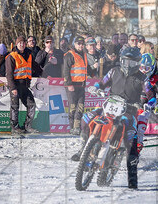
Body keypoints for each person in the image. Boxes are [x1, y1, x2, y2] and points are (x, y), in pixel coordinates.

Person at [72, 46, 147, 189]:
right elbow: (102, 82)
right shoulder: (114, 71)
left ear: (137, 63)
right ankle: (84, 147)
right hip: (110, 106)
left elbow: (149, 93)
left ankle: (127, 167)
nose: (128, 65)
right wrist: (96, 88)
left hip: (129, 111)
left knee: (131, 138)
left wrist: (146, 102)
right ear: (121, 60)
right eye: (126, 61)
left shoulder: (142, 78)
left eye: (132, 62)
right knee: (86, 118)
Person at [5, 36, 37, 133]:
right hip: (15, 86)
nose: (22, 44)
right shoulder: (11, 56)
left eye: (23, 43)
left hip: (25, 86)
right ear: (16, 44)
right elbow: (9, 74)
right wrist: (13, 87)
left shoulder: (29, 55)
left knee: (31, 105)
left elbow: (35, 67)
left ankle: (27, 126)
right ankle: (15, 127)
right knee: (15, 107)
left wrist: (46, 74)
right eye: (20, 43)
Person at [63, 36, 89, 135]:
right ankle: (71, 127)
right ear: (75, 44)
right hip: (72, 85)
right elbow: (65, 71)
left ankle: (77, 127)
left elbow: (85, 69)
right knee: (73, 107)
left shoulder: (84, 54)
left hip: (81, 85)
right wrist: (69, 84)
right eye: (79, 43)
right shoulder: (69, 55)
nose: (80, 45)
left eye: (82, 44)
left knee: (81, 107)